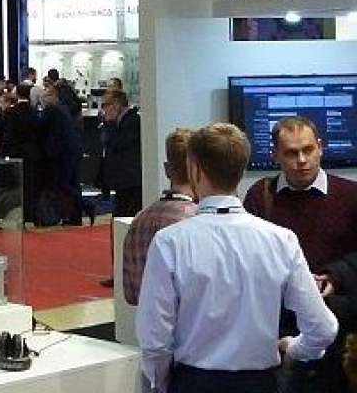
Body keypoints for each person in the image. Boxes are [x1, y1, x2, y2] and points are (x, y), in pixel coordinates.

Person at [137, 123, 337, 393]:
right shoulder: (281, 240)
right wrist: (294, 349)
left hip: (193, 382)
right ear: (241, 170)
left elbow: (155, 340)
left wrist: (162, 383)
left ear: (195, 170)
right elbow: (323, 329)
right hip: (260, 383)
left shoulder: (170, 242)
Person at [243, 116, 357, 273]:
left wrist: (335, 276)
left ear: (320, 148)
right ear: (275, 155)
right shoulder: (259, 196)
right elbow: (248, 253)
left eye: (308, 150)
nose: (302, 160)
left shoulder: (351, 195)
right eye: (291, 153)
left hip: (336, 287)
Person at [122, 128, 197, 305]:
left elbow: (131, 294)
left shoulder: (140, 220)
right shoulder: (198, 220)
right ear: (198, 170)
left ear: (167, 169)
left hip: (148, 319)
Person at [0, 87, 43, 225]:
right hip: (32, 154)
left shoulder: (11, 112)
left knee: (15, 186)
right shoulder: (34, 112)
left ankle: (14, 213)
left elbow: (8, 135)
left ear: (17, 94)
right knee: (30, 185)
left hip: (15, 154)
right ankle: (30, 214)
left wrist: (3, 153)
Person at [41, 84, 83, 226]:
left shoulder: (54, 109)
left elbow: (41, 126)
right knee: (72, 182)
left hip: (62, 152)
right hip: (73, 149)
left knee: (63, 184)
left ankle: (85, 205)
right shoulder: (68, 108)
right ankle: (76, 214)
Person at [101, 89, 143, 219]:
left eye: (105, 105)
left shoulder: (132, 122)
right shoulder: (121, 122)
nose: (104, 110)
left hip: (131, 182)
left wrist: (109, 124)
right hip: (123, 182)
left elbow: (117, 145)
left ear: (116, 104)